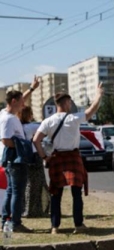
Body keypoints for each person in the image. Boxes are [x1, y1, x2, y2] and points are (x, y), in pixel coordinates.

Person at [33, 83, 104, 235]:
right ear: (65, 103)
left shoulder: (48, 121)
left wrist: (44, 156)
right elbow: (92, 110)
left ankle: (55, 227)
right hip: (72, 157)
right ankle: (78, 225)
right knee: (76, 193)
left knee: (56, 194)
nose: (70, 105)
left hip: (57, 158)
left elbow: (35, 140)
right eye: (69, 102)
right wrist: (98, 94)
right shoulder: (72, 118)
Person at [0, 76, 40, 232]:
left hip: (14, 160)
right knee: (17, 192)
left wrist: (32, 88)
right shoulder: (8, 119)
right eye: (21, 101)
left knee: (11, 191)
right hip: (15, 161)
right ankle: (14, 223)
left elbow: (21, 98)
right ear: (14, 102)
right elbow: (5, 140)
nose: (24, 103)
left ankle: (6, 222)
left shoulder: (6, 112)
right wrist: (21, 147)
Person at [19, 106, 50, 218]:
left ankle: (24, 209)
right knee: (38, 184)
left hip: (22, 158)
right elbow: (45, 130)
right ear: (29, 115)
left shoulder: (18, 127)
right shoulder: (31, 126)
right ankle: (36, 209)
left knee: (26, 184)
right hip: (34, 156)